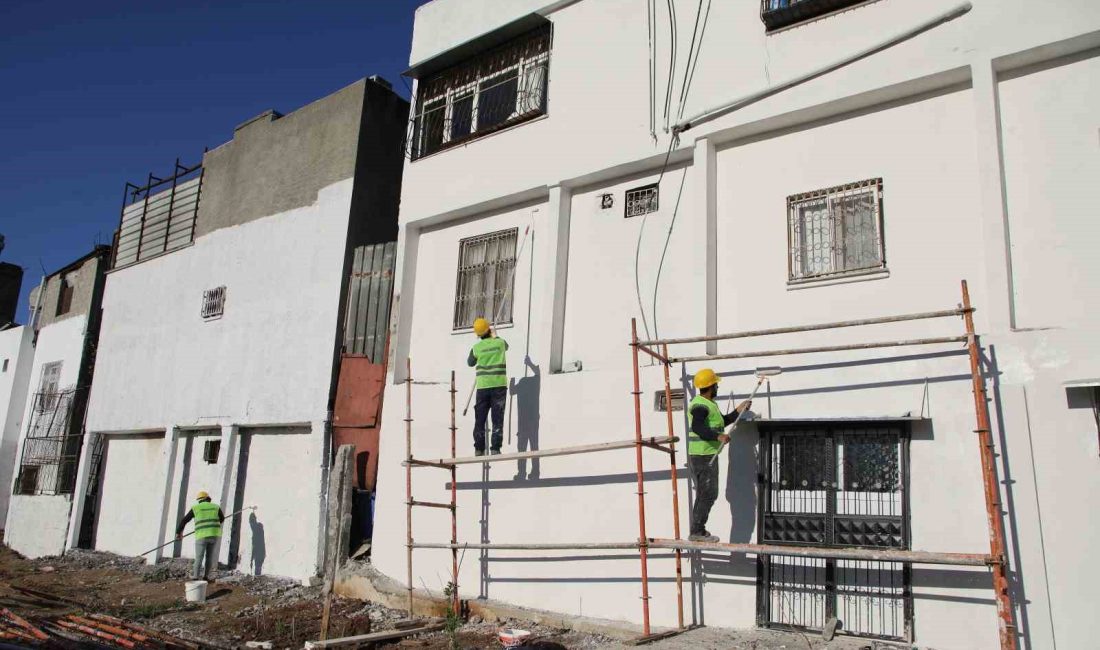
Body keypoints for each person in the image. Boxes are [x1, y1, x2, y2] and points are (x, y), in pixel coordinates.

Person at [687, 368, 750, 543]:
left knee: (705, 493)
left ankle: (698, 530)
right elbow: (698, 428)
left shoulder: (708, 404)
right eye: (716, 385)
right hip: (703, 456)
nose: (717, 388)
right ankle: (697, 531)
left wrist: (739, 410)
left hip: (706, 455)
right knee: (708, 493)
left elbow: (723, 421)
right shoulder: (700, 406)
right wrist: (718, 436)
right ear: (710, 386)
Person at [467, 317, 508, 455]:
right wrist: (496, 336)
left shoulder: (476, 348)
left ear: (478, 334)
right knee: (497, 419)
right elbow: (506, 346)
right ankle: (495, 448)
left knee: (480, 419)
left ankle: (479, 448)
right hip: (499, 386)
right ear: (489, 329)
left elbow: (470, 362)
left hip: (483, 387)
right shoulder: (500, 343)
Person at [176, 490, 225, 582]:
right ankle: (206, 577)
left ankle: (195, 576)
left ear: (199, 500)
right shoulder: (216, 507)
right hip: (213, 535)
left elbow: (184, 520)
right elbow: (222, 519)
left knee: (199, 557)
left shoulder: (196, 508)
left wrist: (179, 533)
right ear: (208, 498)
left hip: (201, 536)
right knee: (209, 557)